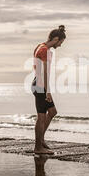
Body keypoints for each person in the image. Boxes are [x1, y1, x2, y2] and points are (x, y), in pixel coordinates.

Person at [31, 26, 66, 154]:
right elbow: (45, 73)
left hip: (37, 84)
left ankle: (41, 141)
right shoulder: (44, 50)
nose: (60, 45)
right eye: (61, 42)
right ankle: (38, 147)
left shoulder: (40, 46)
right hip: (40, 86)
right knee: (41, 117)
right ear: (56, 39)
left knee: (52, 112)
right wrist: (48, 91)